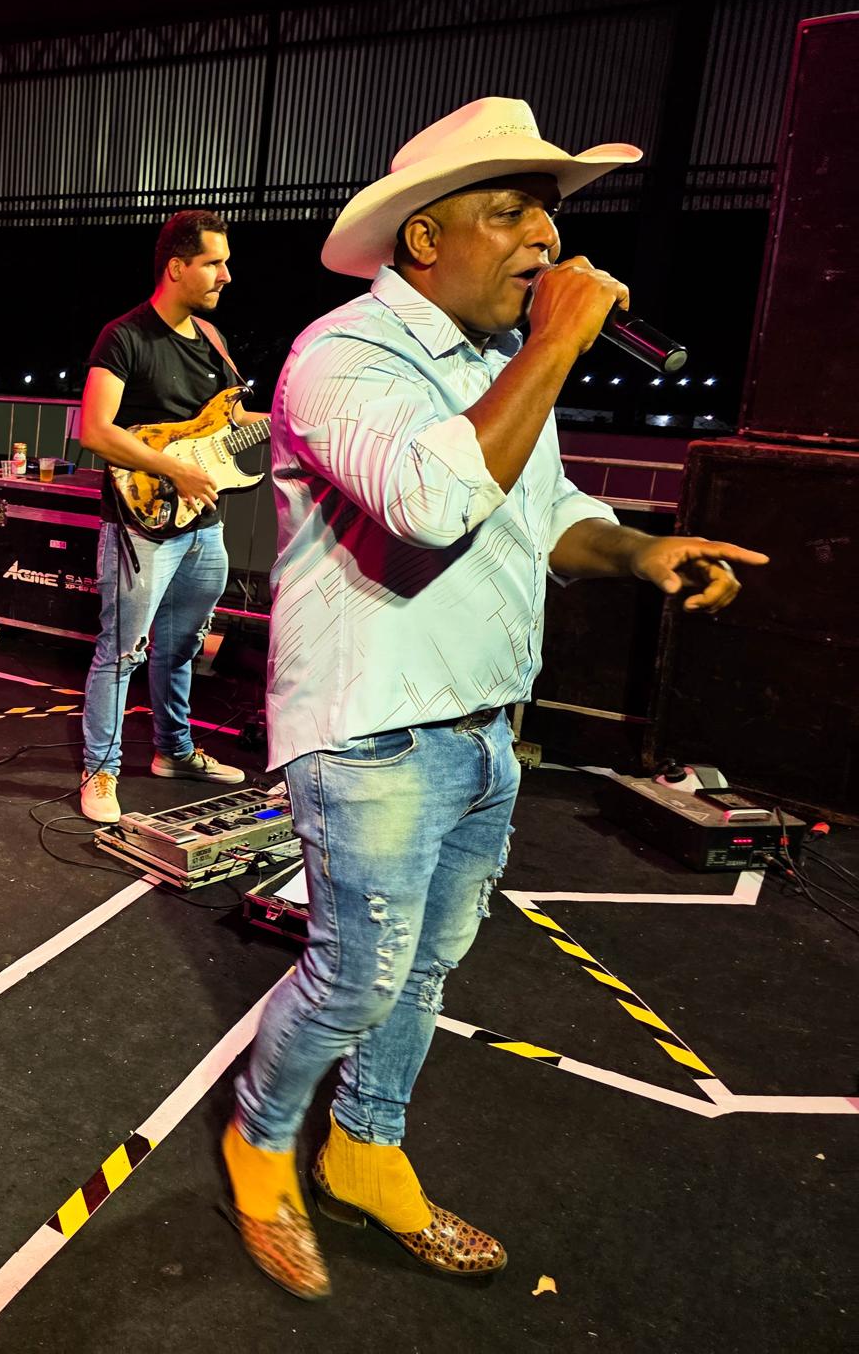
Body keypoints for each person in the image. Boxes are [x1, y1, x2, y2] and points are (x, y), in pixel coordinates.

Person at [220, 98, 768, 1299]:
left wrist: (642, 552)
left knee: (427, 969)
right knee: (358, 976)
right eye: (513, 211)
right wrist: (556, 344)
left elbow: (545, 511)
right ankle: (260, 1140)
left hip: (481, 729)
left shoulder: (495, 368)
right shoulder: (344, 356)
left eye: (548, 216)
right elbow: (433, 503)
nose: (546, 240)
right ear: (425, 237)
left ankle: (364, 1150)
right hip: (371, 733)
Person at [75, 209, 265, 823]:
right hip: (141, 524)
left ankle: (173, 752)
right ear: (177, 267)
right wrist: (174, 469)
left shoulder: (212, 339)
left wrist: (284, 420)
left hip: (203, 526)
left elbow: (225, 421)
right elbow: (95, 430)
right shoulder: (124, 337)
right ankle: (100, 771)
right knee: (121, 651)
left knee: (181, 647)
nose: (226, 276)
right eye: (214, 263)